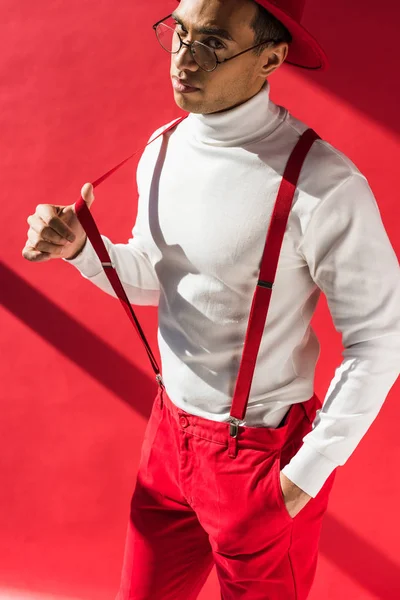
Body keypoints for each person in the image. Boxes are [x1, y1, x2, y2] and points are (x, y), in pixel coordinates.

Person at [22, 0, 400, 598]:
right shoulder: (163, 147)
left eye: (214, 44)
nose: (183, 58)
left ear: (271, 58)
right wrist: (81, 249)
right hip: (168, 438)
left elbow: (381, 339)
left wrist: (302, 478)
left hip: (262, 454)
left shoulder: (323, 182)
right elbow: (156, 278)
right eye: (178, 33)